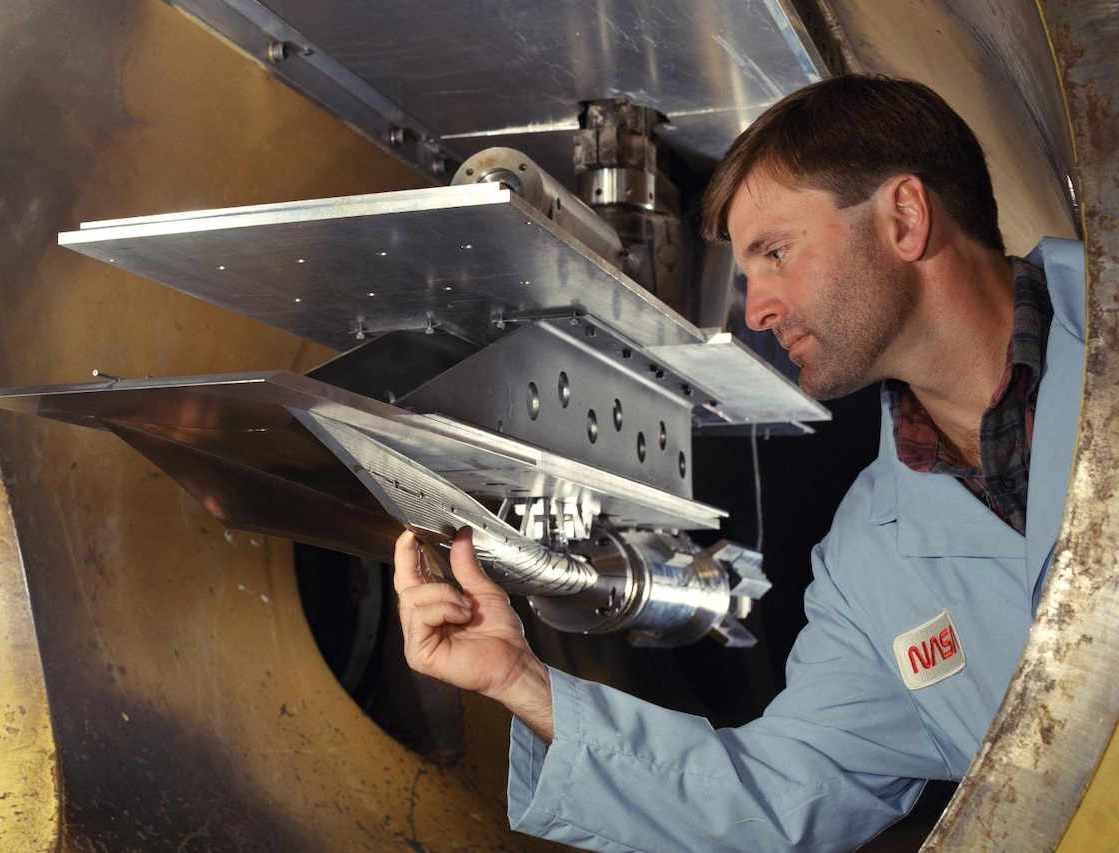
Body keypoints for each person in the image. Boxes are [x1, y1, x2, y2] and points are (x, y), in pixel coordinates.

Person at [392, 74, 1085, 851]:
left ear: (905, 217)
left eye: (777, 252)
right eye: (749, 273)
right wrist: (519, 681)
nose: (755, 309)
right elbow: (776, 797)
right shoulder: (867, 562)